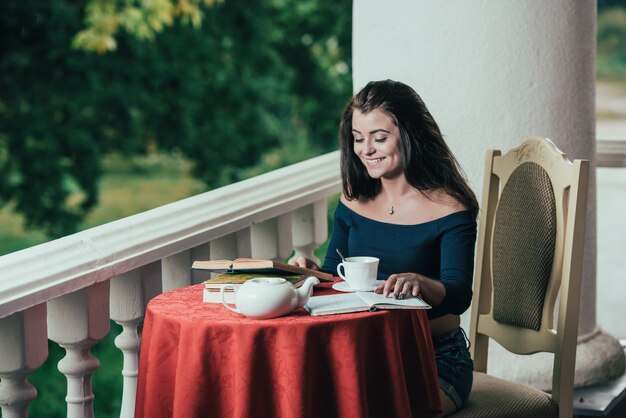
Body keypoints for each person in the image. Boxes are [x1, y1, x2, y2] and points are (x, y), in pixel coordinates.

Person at [293, 79, 479, 416]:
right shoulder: (354, 198)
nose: (366, 150)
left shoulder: (450, 208)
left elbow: (458, 295)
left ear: (410, 135)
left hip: (433, 360)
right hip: (364, 354)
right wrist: (307, 271)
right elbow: (336, 274)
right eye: (358, 139)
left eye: (379, 138)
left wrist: (422, 283)